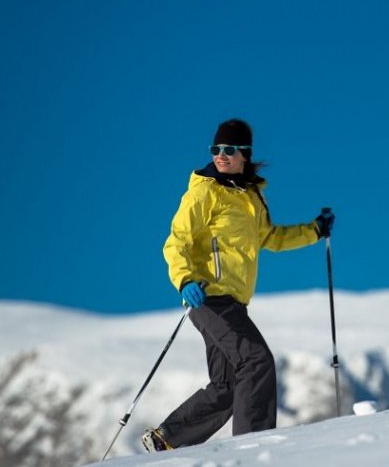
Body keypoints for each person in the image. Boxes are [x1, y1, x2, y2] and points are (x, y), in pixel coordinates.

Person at [142, 118, 335, 452]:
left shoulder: (250, 197)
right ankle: (253, 447)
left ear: (244, 153)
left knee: (229, 384)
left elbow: (271, 237)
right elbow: (176, 242)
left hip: (234, 301)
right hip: (208, 297)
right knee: (256, 361)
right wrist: (185, 279)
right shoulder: (204, 192)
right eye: (215, 149)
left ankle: (168, 440)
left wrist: (314, 230)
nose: (221, 155)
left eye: (228, 150)